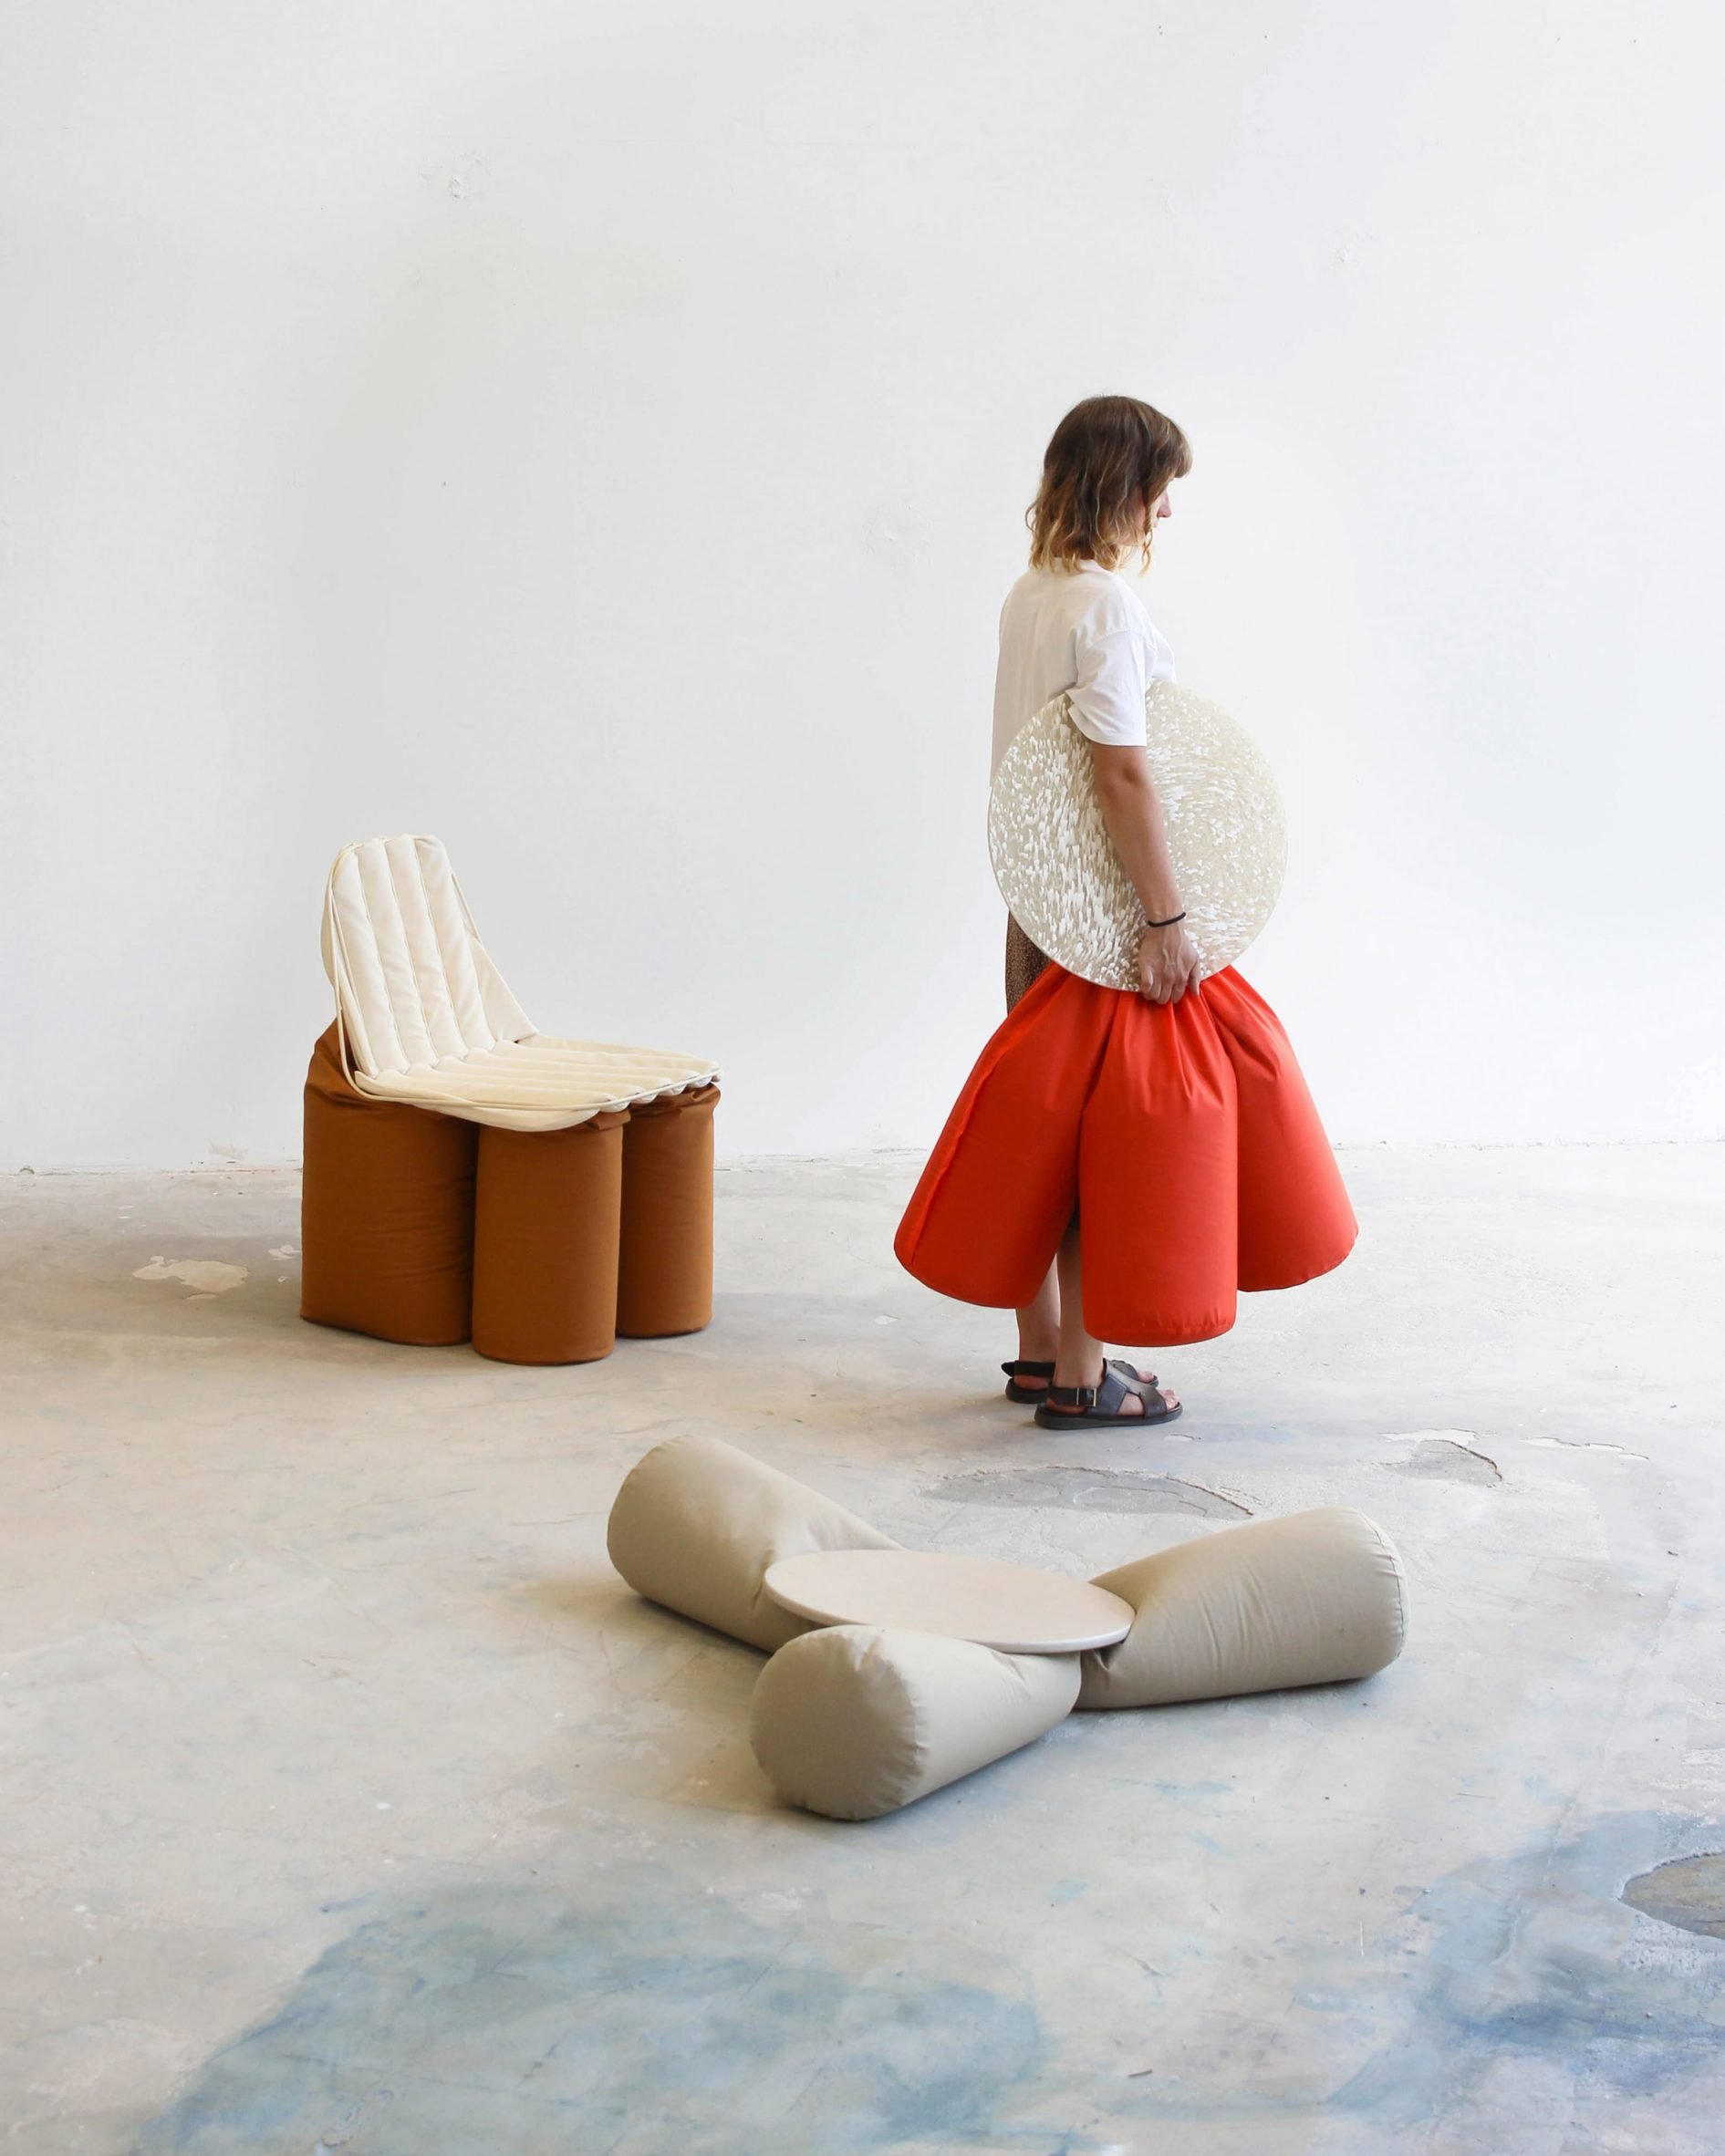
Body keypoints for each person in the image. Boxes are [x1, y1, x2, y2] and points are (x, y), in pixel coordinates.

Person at [994, 395, 1196, 1428]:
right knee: (1093, 1140)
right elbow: (1120, 773)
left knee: (1036, 1126)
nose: (1164, 514)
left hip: (1035, 901)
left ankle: (1037, 1352)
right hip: (1099, 915)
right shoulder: (1105, 606)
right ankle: (1084, 1375)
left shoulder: (1034, 592)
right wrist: (1164, 920)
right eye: (1159, 489)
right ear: (1125, 487)